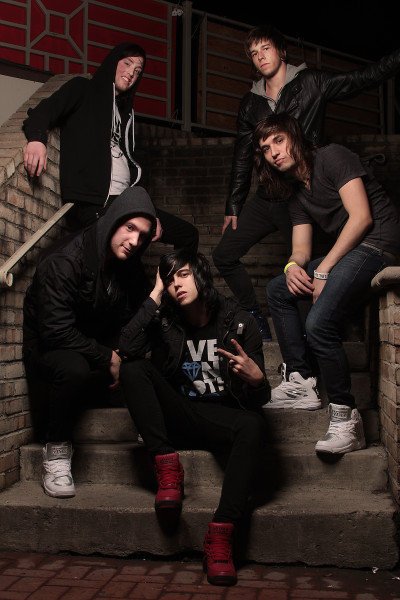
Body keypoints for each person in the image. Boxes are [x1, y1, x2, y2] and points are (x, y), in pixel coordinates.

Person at [212, 24, 400, 341]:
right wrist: (234, 204)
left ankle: (312, 343)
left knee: (300, 275)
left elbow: (362, 79)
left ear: (282, 51)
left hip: (298, 193)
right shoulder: (250, 103)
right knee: (224, 254)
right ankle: (255, 316)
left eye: (266, 48)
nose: (260, 57)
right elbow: (242, 154)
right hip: (267, 194)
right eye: (254, 53)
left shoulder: (311, 82)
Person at [117, 251, 270, 586]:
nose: (176, 284)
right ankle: (167, 466)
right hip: (181, 414)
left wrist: (258, 380)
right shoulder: (166, 321)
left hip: (223, 418)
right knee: (132, 368)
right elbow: (125, 347)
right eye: (169, 280)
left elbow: (260, 399)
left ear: (201, 274)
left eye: (183, 274)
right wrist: (155, 293)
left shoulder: (239, 322)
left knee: (253, 425)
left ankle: (221, 535)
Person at [253, 112, 400, 454]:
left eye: (278, 140)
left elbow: (361, 218)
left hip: (380, 243)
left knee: (319, 324)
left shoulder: (332, 157)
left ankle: (347, 419)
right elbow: (301, 249)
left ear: (295, 136)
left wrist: (323, 271)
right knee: (278, 289)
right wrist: (292, 266)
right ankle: (301, 381)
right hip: (353, 251)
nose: (274, 152)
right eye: (266, 148)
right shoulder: (296, 194)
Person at [22, 186, 158, 498]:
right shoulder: (64, 260)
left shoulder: (126, 262)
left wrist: (123, 352)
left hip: (91, 344)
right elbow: (55, 331)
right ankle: (56, 453)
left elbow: (136, 315)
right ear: (113, 220)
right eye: (129, 228)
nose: (134, 241)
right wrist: (108, 357)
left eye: (142, 235)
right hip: (52, 351)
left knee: (143, 354)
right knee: (74, 368)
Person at [22, 41, 199, 252]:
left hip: (126, 202)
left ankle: (177, 273)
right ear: (113, 62)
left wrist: (147, 211)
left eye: (138, 71)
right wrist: (37, 140)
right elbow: (42, 112)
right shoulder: (83, 89)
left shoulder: (126, 113)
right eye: (127, 63)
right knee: (125, 258)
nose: (131, 73)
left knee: (188, 235)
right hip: (95, 203)